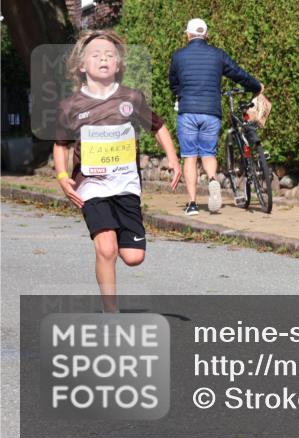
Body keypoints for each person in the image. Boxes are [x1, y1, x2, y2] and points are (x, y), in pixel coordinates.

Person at [54, 30, 181, 312]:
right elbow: (60, 145)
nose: (103, 59)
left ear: (118, 65)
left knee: (134, 256)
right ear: (82, 66)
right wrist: (63, 177)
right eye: (96, 55)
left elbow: (157, 127)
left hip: (125, 184)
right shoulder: (71, 106)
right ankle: (111, 311)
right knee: (107, 248)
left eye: (109, 55)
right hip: (91, 185)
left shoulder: (131, 98)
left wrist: (172, 157)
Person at [168, 18, 263, 216]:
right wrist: (255, 86)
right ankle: (212, 179)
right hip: (211, 111)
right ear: (207, 35)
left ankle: (192, 204)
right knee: (208, 153)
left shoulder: (178, 56)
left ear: (188, 35)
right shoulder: (217, 55)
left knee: (190, 157)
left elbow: (173, 83)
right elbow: (238, 73)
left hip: (188, 112)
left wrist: (182, 94)